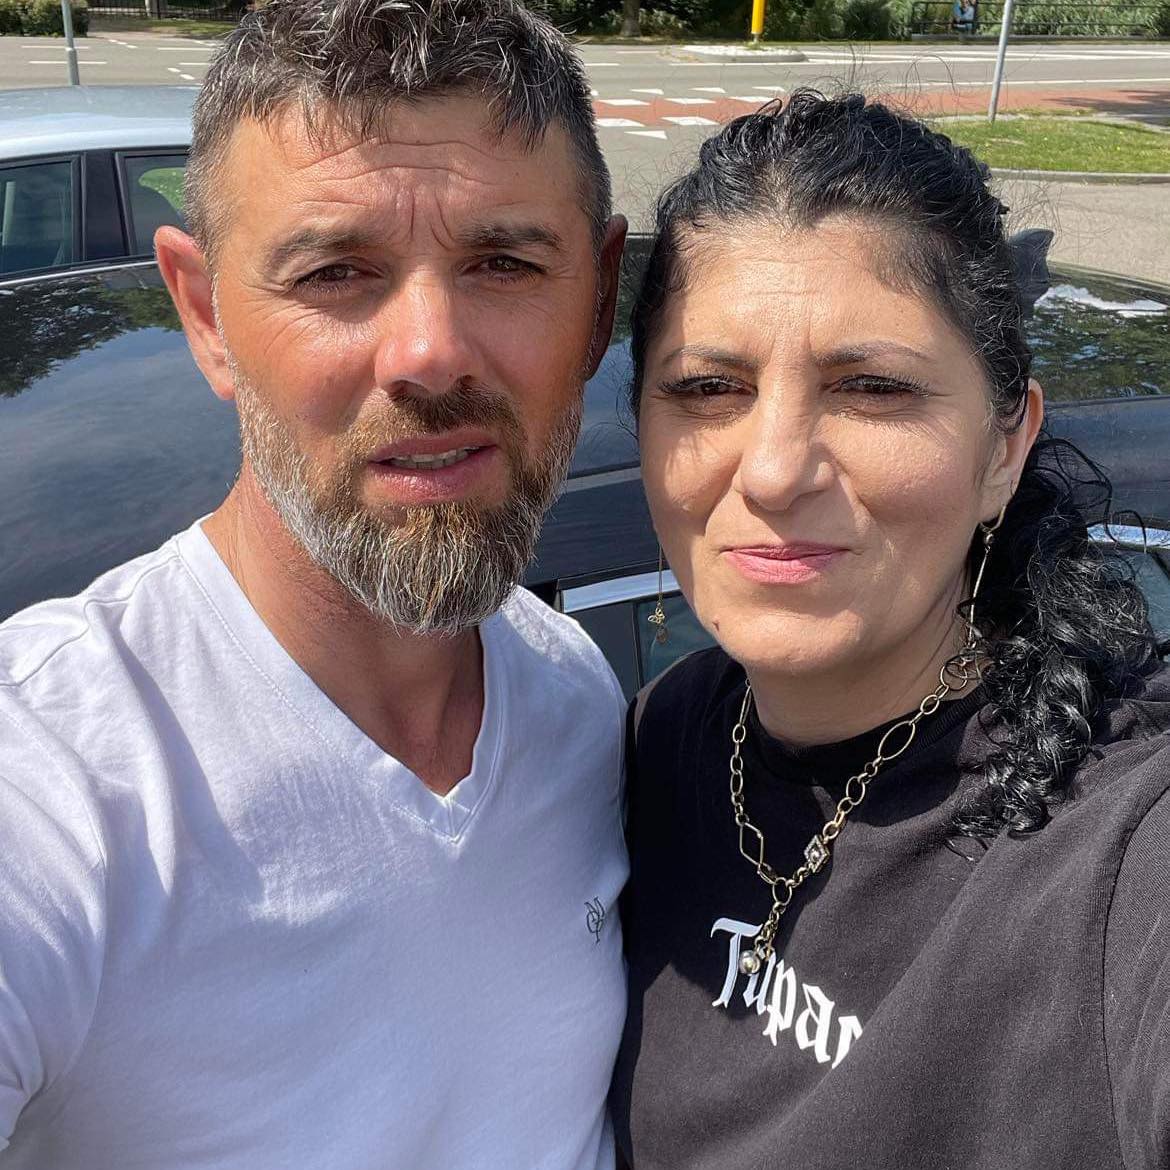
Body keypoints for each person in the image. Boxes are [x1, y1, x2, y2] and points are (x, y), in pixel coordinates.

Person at [0, 0, 630, 1165]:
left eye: (503, 262)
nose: (430, 354)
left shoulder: (577, 698)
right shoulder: (55, 775)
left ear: (599, 300)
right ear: (206, 316)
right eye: (337, 271)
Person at [611, 91, 1169, 1169]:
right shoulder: (658, 738)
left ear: (1004, 449)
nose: (775, 470)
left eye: (871, 388)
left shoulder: (1119, 858)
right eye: (709, 387)